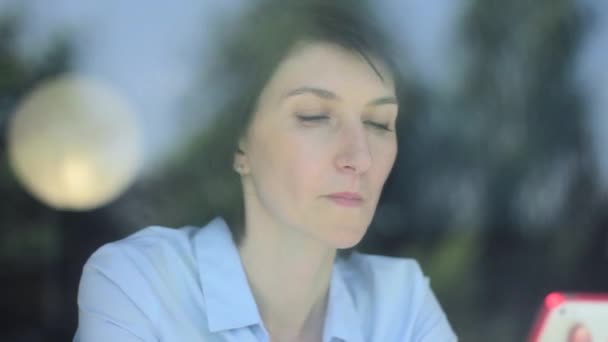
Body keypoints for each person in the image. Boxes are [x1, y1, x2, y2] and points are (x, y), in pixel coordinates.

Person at [74, 1, 457, 341]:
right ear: (240, 142)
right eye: (315, 116)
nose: (360, 157)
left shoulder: (399, 300)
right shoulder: (141, 284)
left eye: (379, 122)